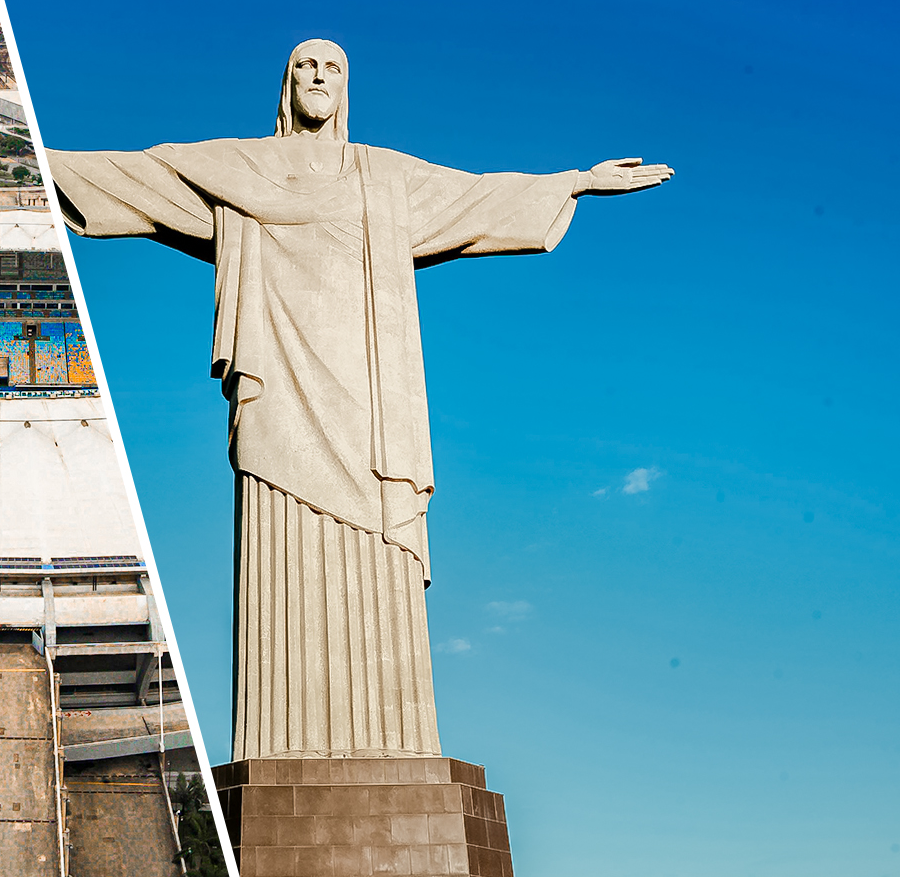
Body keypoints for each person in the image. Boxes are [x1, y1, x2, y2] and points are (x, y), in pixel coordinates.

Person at [47, 39, 672, 760]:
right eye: (304, 67)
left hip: (371, 396)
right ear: (286, 84)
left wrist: (575, 182)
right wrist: (43, 157)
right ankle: (280, 740)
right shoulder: (236, 169)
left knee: (381, 538)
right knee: (283, 550)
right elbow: (139, 178)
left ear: (347, 87)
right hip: (278, 385)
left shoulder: (383, 178)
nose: (318, 78)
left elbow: (477, 195)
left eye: (332, 68)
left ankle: (397, 742)